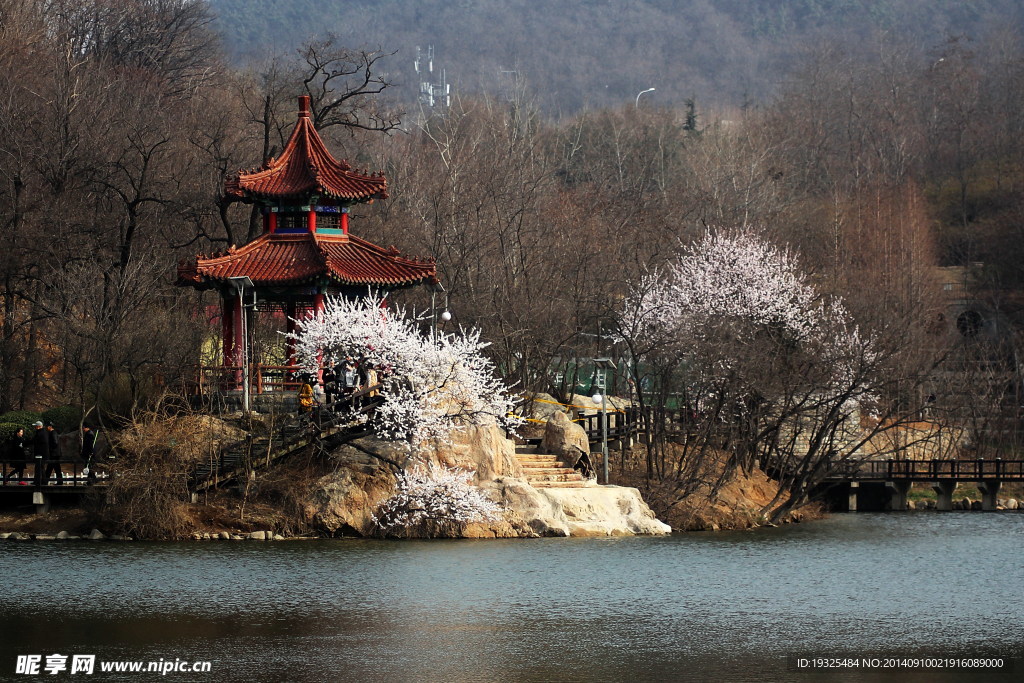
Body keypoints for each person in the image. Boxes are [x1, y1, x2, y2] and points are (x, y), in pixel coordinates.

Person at [31, 421, 48, 486]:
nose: (35, 427)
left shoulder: (40, 433)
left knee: (40, 468)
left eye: (36, 426)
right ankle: (41, 481)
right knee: (40, 468)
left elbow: (34, 441)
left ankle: (40, 481)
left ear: (39, 426)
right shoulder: (44, 432)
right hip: (42, 454)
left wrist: (24, 443)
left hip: (40, 454)